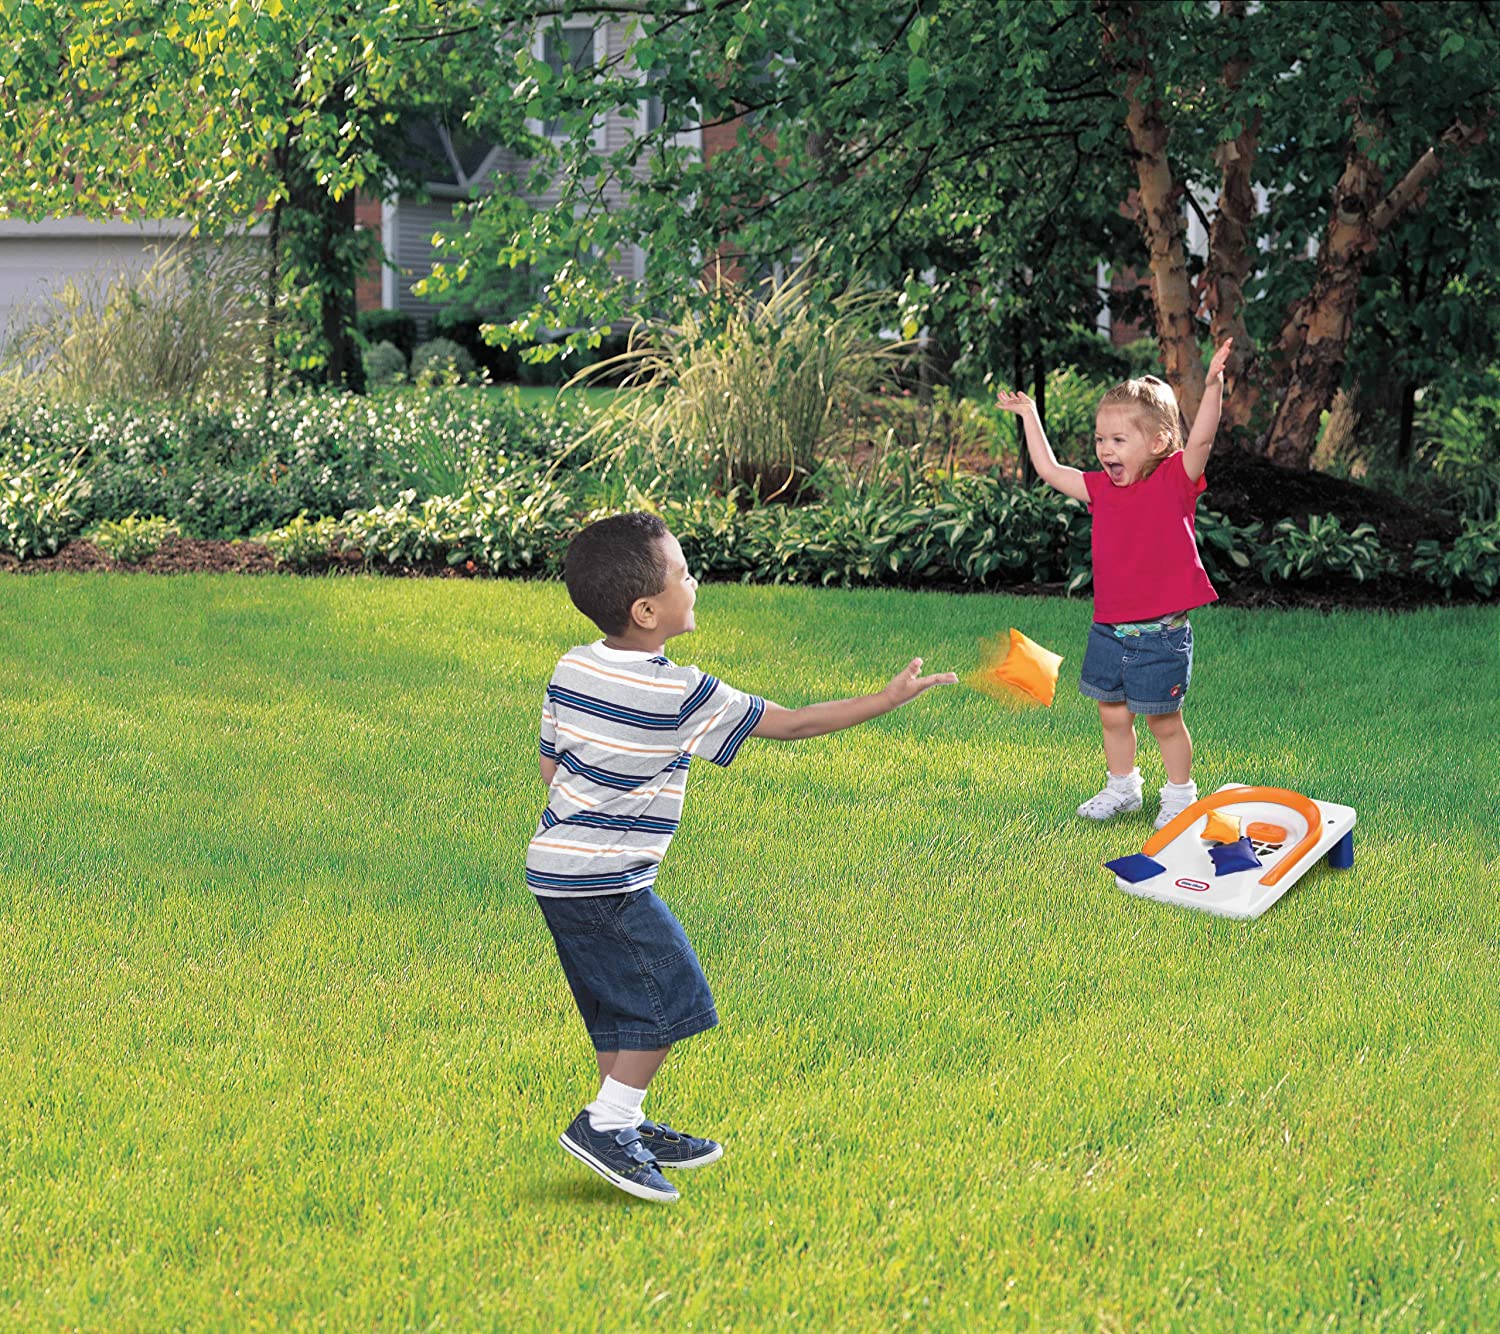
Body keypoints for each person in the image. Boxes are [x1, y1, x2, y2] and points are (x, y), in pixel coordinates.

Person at [528, 511, 957, 1203]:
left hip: (556, 870)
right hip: (609, 879)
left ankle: (623, 1122)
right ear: (646, 611)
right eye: (682, 574)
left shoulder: (571, 666)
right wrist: (885, 699)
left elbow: (552, 767)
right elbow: (792, 724)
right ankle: (604, 1124)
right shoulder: (680, 691)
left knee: (621, 1008)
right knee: (673, 998)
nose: (694, 582)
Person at [996, 340, 1233, 830]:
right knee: (1112, 716)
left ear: (1159, 442)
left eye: (1119, 440)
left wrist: (1212, 387)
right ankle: (1123, 788)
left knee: (1163, 721)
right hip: (1108, 631)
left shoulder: (1174, 480)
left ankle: (1180, 796)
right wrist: (1030, 416)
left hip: (1161, 635)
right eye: (1101, 439)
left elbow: (1203, 442)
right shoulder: (1100, 488)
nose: (1105, 449)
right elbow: (1049, 470)